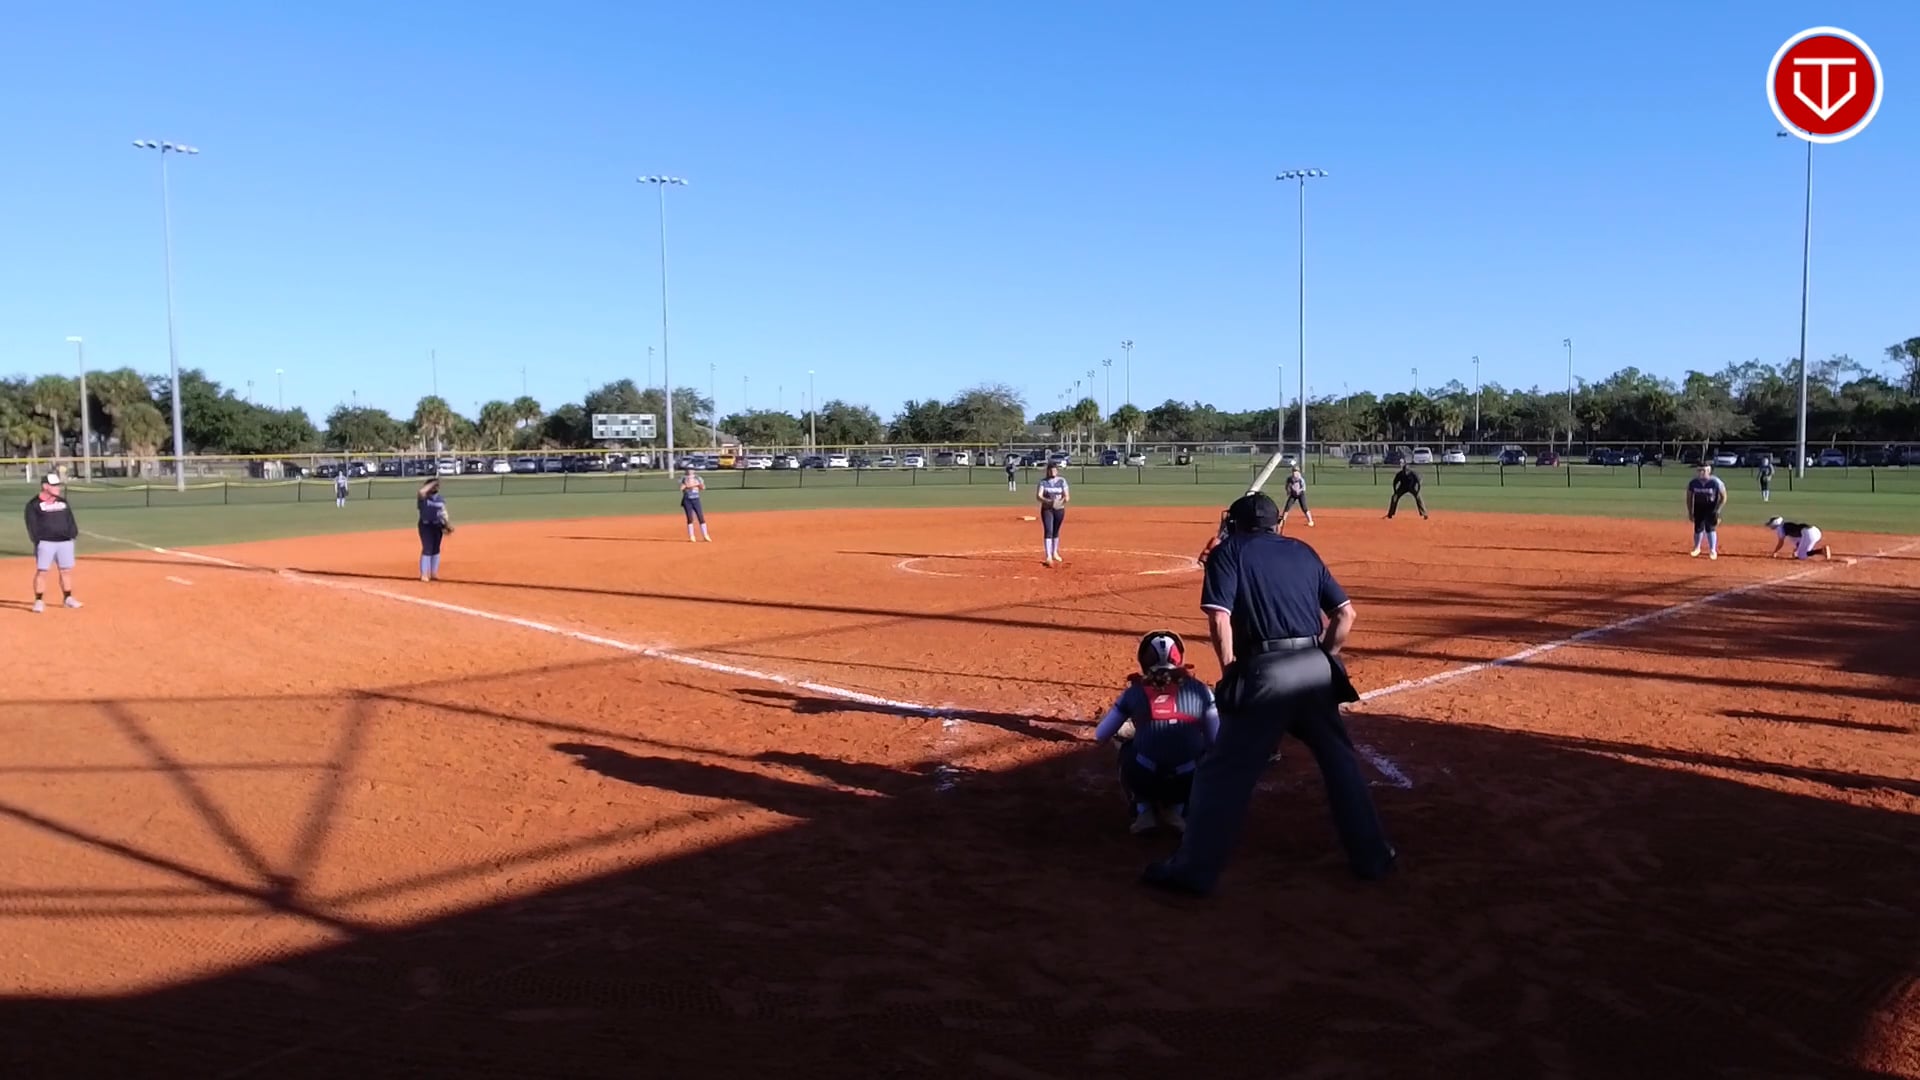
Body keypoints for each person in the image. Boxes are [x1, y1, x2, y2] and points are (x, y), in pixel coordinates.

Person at [1143, 491, 1395, 896]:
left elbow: (1220, 619)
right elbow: (1346, 614)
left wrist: (1230, 671)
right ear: (1276, 522)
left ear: (1236, 523)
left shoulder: (1228, 552)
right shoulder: (1303, 550)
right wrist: (1324, 656)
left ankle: (1193, 871)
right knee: (1340, 763)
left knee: (1220, 773)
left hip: (1265, 675)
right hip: (1315, 670)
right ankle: (1373, 857)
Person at [1091, 630, 1221, 835]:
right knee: (1204, 753)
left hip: (1145, 777)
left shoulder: (1134, 692)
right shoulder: (1201, 690)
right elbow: (1216, 740)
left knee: (1127, 748)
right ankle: (1178, 810)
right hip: (1185, 780)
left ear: (1144, 660)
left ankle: (1143, 811)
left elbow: (1101, 735)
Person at [25, 472, 81, 614]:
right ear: (45, 486)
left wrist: (72, 534)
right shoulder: (34, 504)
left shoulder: (62, 502)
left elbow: (70, 519)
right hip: (46, 543)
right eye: (54, 485)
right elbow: (31, 525)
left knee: (65, 571)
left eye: (58, 485)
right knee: (42, 571)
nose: (58, 488)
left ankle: (68, 598)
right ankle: (39, 600)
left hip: (65, 542)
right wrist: (38, 540)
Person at [1686, 463, 1728, 559]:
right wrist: (1690, 511)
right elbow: (1689, 497)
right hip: (1698, 507)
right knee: (1698, 528)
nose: (1701, 473)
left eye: (1703, 470)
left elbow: (1724, 497)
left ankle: (1713, 550)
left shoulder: (1715, 482)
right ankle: (1697, 548)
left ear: (1709, 471)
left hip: (1711, 507)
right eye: (1699, 470)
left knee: (1710, 528)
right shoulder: (1693, 483)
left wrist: (1718, 510)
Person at [417, 479, 452, 582]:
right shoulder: (423, 498)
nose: (435, 487)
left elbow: (443, 513)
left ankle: (434, 573)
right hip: (426, 525)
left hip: (437, 525)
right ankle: (424, 574)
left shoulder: (440, 499)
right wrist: (434, 482)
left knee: (436, 549)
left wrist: (447, 525)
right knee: (427, 548)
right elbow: (421, 492)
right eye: (433, 486)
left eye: (436, 486)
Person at [1036, 464, 1069, 566]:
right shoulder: (1043, 482)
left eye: (1054, 470)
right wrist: (1048, 501)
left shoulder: (1062, 481)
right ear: (1048, 471)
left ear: (1057, 471)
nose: (1052, 472)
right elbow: (1039, 496)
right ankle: (1048, 556)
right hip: (1047, 509)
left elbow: (1067, 496)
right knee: (1048, 530)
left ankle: (1054, 552)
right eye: (1050, 470)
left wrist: (1060, 502)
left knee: (1056, 530)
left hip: (1059, 509)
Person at [1766, 515, 1832, 561]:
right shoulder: (1788, 526)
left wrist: (1775, 552)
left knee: (1801, 555)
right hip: (1816, 531)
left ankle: (1822, 550)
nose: (1770, 525)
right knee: (1805, 551)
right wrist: (1796, 550)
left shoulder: (1780, 528)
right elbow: (1799, 541)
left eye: (1771, 523)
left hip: (1808, 533)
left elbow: (1781, 542)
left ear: (1775, 523)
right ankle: (1821, 551)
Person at [680, 467, 711, 542]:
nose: (690, 471)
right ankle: (692, 536)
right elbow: (682, 488)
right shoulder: (683, 478)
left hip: (696, 499)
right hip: (687, 500)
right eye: (688, 469)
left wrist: (694, 485)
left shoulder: (698, 478)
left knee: (700, 516)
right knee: (690, 518)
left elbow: (703, 487)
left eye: (691, 469)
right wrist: (694, 485)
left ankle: (705, 535)